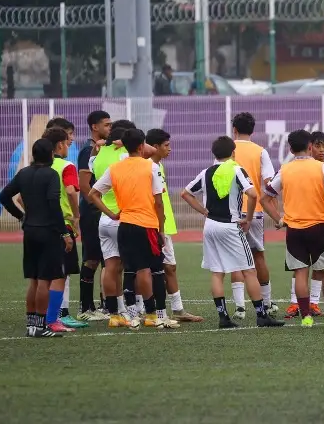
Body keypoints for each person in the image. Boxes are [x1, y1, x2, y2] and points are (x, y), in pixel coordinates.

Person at [181, 136, 284, 328]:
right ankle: (261, 316)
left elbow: (185, 193)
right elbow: (253, 194)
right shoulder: (236, 169)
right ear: (233, 153)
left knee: (217, 272)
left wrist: (203, 211)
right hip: (230, 225)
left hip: (210, 226)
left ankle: (223, 317)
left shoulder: (206, 172)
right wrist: (248, 218)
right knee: (249, 270)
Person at [89, 128, 179, 329]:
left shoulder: (115, 168)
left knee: (125, 269)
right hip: (146, 224)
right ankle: (150, 314)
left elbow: (93, 194)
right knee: (146, 270)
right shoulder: (151, 167)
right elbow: (159, 202)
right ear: (141, 146)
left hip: (124, 224)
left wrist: (111, 213)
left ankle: (122, 314)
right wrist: (161, 229)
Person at [262, 130, 324, 327]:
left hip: (294, 230)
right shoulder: (321, 168)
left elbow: (265, 198)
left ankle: (306, 317)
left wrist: (280, 219)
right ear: (310, 146)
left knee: (300, 273)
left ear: (290, 149)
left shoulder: (285, 170)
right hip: (319, 227)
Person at [0, 138, 71, 338]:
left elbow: (4, 197)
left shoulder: (23, 173)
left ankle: (31, 324)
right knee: (45, 281)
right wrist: (64, 232)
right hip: (48, 232)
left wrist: (21, 216)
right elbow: (54, 206)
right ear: (50, 155)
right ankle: (41, 326)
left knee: (34, 280)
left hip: (30, 230)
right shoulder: (52, 175)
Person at [146, 128, 203, 322]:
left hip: (162, 225)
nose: (170, 149)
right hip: (152, 225)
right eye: (166, 145)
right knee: (154, 268)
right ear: (155, 147)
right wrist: (159, 228)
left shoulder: (158, 165)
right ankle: (148, 310)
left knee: (168, 267)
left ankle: (176, 309)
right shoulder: (147, 166)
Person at [229, 112, 279, 319]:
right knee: (259, 255)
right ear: (253, 130)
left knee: (234, 259)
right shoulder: (260, 151)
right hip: (255, 210)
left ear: (234, 130)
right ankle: (266, 303)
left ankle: (240, 307)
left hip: (231, 211)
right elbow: (270, 184)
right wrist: (275, 214)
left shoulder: (227, 149)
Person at [285, 131, 324, 318]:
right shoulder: (298, 168)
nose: (322, 150)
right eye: (318, 146)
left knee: (317, 268)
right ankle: (296, 304)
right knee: (303, 268)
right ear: (310, 146)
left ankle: (312, 304)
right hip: (317, 225)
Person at [88, 121, 135, 327]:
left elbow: (93, 189)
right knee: (132, 266)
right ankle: (135, 309)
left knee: (110, 267)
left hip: (105, 218)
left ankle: (115, 312)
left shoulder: (98, 157)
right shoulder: (124, 154)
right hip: (123, 216)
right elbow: (148, 150)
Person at [41, 126, 87, 332]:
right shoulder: (66, 166)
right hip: (62, 226)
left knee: (43, 275)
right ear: (60, 144)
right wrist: (76, 215)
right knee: (62, 274)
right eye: (68, 141)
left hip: (40, 225)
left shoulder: (39, 167)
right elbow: (70, 190)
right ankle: (56, 317)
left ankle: (41, 317)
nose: (70, 144)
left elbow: (21, 198)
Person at [77, 110, 112, 321]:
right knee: (91, 259)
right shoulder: (87, 150)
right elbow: (83, 185)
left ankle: (104, 305)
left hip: (104, 211)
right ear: (94, 127)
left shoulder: (106, 149)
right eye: (106, 125)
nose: (109, 128)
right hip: (92, 212)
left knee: (107, 260)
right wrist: (96, 205)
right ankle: (85, 307)